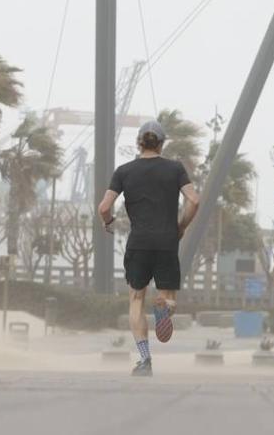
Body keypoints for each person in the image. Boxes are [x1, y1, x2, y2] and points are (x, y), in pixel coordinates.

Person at [98, 119, 200, 377]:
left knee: (136, 300)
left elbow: (104, 207)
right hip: (167, 241)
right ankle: (165, 307)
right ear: (162, 144)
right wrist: (182, 225)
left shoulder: (124, 171)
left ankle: (144, 360)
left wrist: (108, 222)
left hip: (139, 242)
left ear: (139, 142)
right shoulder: (175, 168)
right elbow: (194, 200)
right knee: (168, 297)